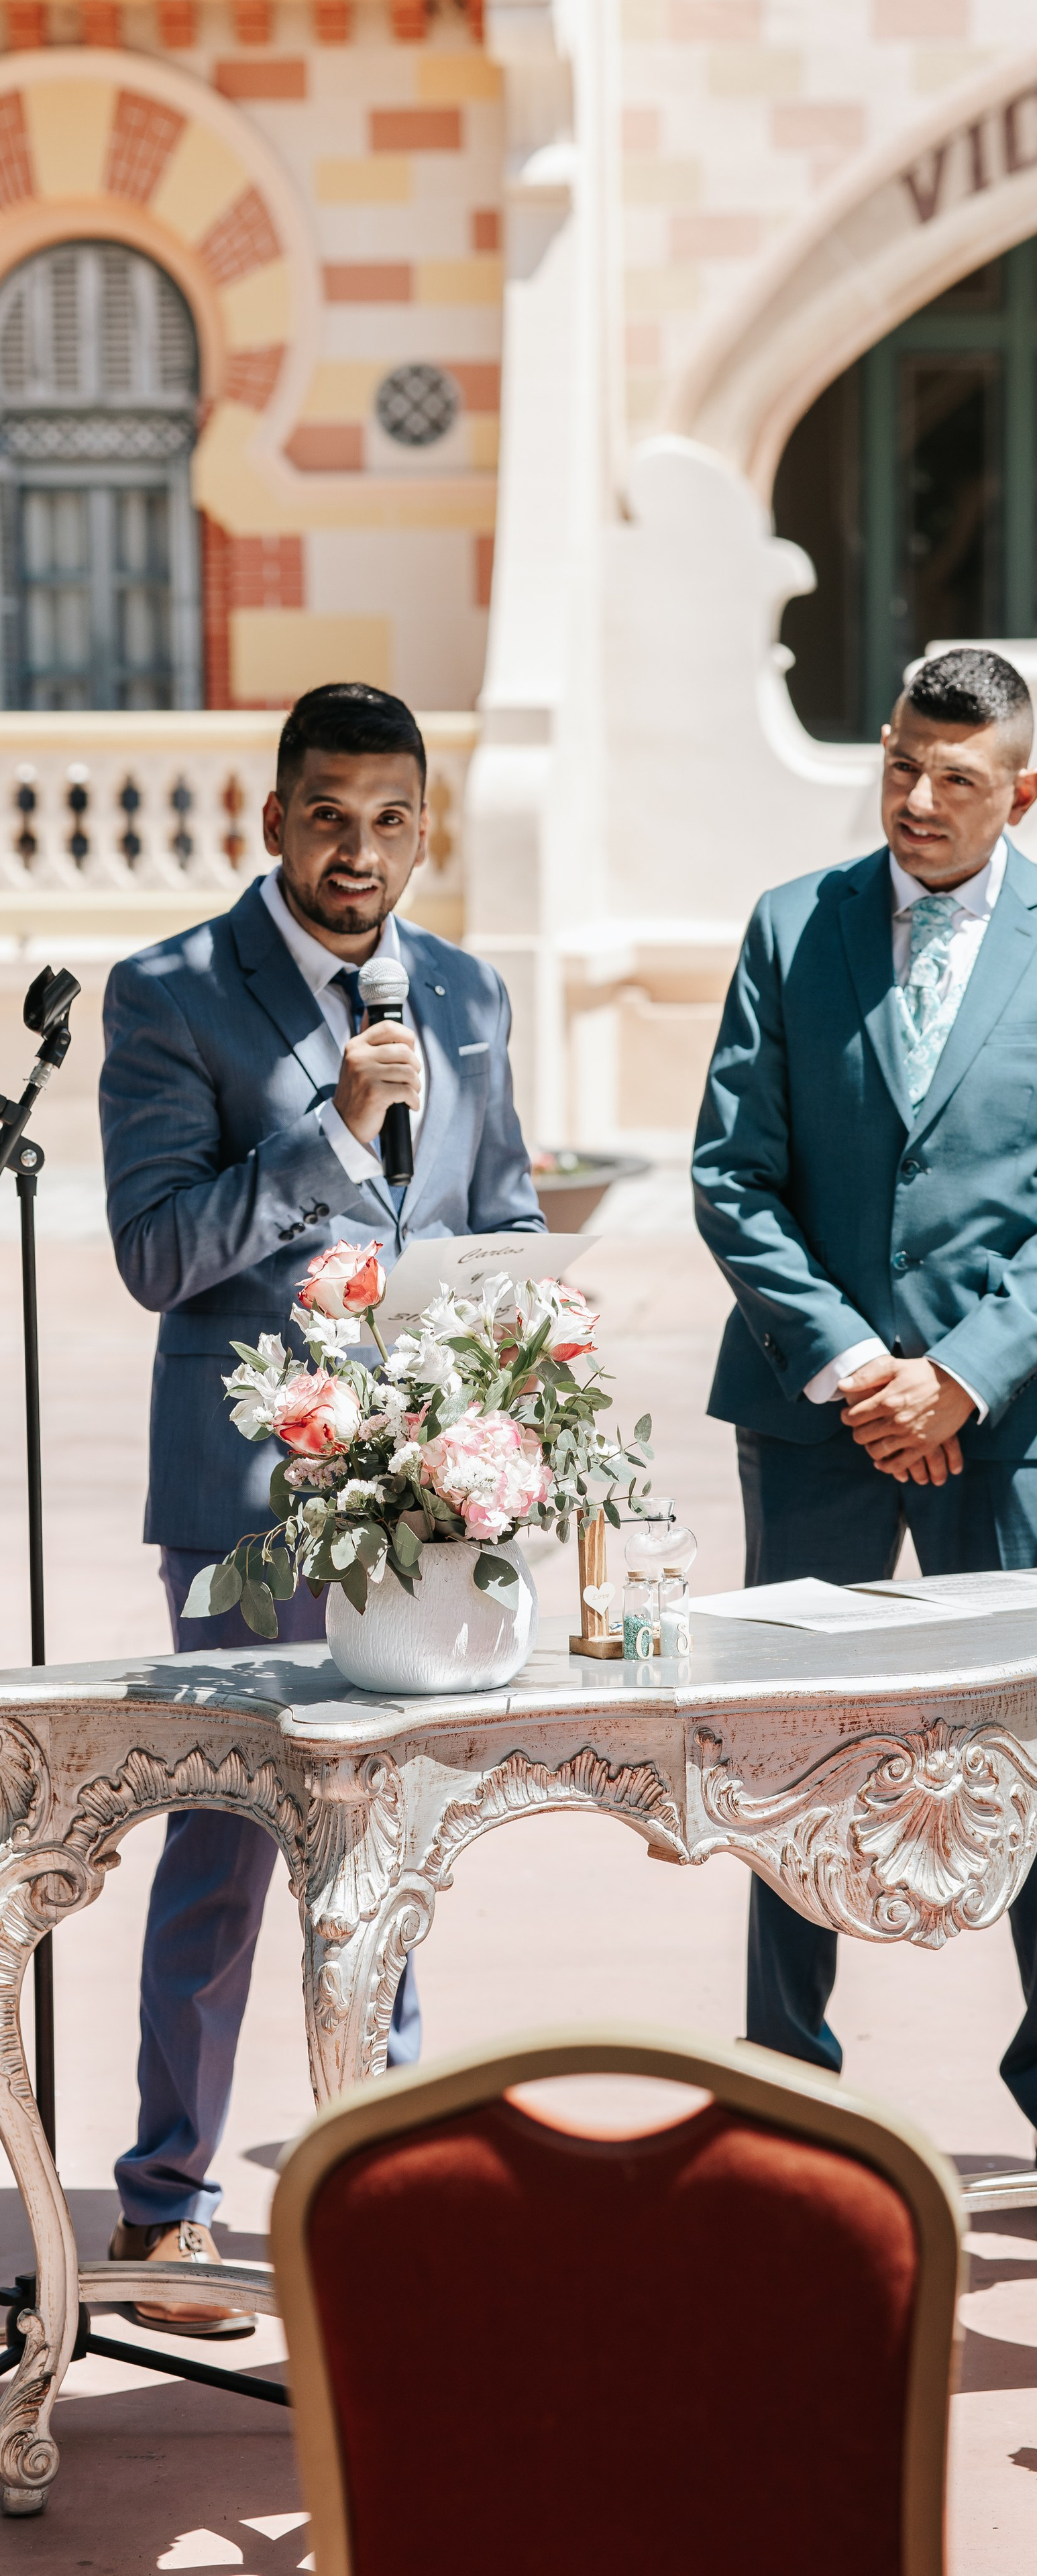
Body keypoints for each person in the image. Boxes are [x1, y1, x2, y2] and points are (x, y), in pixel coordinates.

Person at [99, 682, 543, 2329]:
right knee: (226, 1849)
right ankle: (164, 2210)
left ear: (424, 827)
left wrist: (516, 1387)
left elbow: (495, 1216)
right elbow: (157, 1258)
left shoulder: (470, 992)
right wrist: (330, 1125)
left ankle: (382, 2172)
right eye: (330, 817)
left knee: (393, 1845)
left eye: (393, 819)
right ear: (272, 820)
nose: (362, 853)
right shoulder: (171, 999)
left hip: (430, 1496)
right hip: (248, 1502)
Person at [692, 647, 1037, 2224]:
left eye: (957, 778)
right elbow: (731, 1176)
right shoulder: (788, 924)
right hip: (813, 1420)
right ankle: (782, 2092)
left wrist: (953, 1379)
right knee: (789, 1763)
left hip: (1005, 1428)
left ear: (1022, 790)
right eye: (899, 764)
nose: (917, 800)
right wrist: (846, 1366)